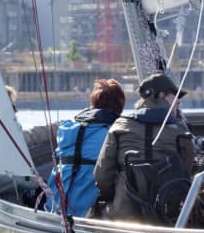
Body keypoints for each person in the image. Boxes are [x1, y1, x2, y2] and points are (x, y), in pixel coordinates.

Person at [94, 73, 194, 222]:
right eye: (175, 96)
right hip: (168, 216)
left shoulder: (120, 125)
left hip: (125, 215)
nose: (178, 102)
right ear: (162, 95)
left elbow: (102, 175)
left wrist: (114, 198)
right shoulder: (180, 129)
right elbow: (188, 171)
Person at [46, 79, 125, 216]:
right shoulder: (113, 134)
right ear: (120, 106)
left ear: (93, 103)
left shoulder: (67, 129)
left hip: (53, 208)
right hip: (87, 215)